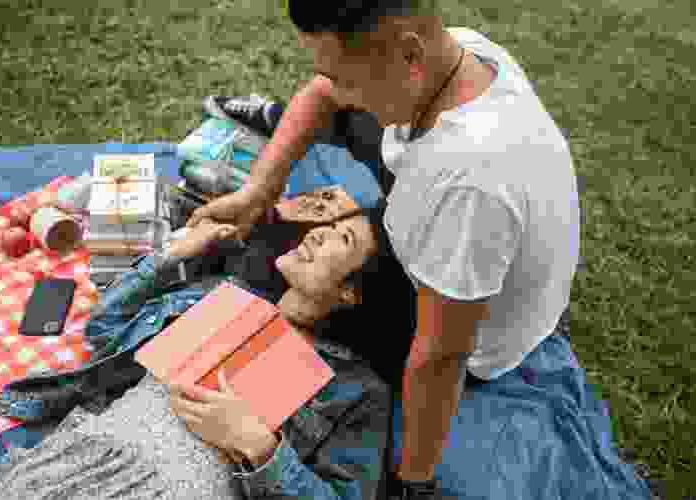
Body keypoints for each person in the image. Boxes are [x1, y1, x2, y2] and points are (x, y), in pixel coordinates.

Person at [187, 1, 583, 496]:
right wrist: (259, 190)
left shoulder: (468, 182)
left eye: (347, 78)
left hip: (481, 337)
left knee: (274, 268)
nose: (336, 89)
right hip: (459, 222)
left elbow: (441, 357)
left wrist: (413, 484)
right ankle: (274, 119)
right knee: (316, 185)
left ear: (410, 55)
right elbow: (323, 92)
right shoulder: (457, 53)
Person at [0, 193, 396, 500]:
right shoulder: (225, 295)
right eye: (329, 224)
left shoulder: (357, 390)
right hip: (81, 462)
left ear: (350, 292)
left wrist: (261, 446)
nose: (319, 233)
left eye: (342, 238)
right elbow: (105, 334)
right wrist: (166, 259)